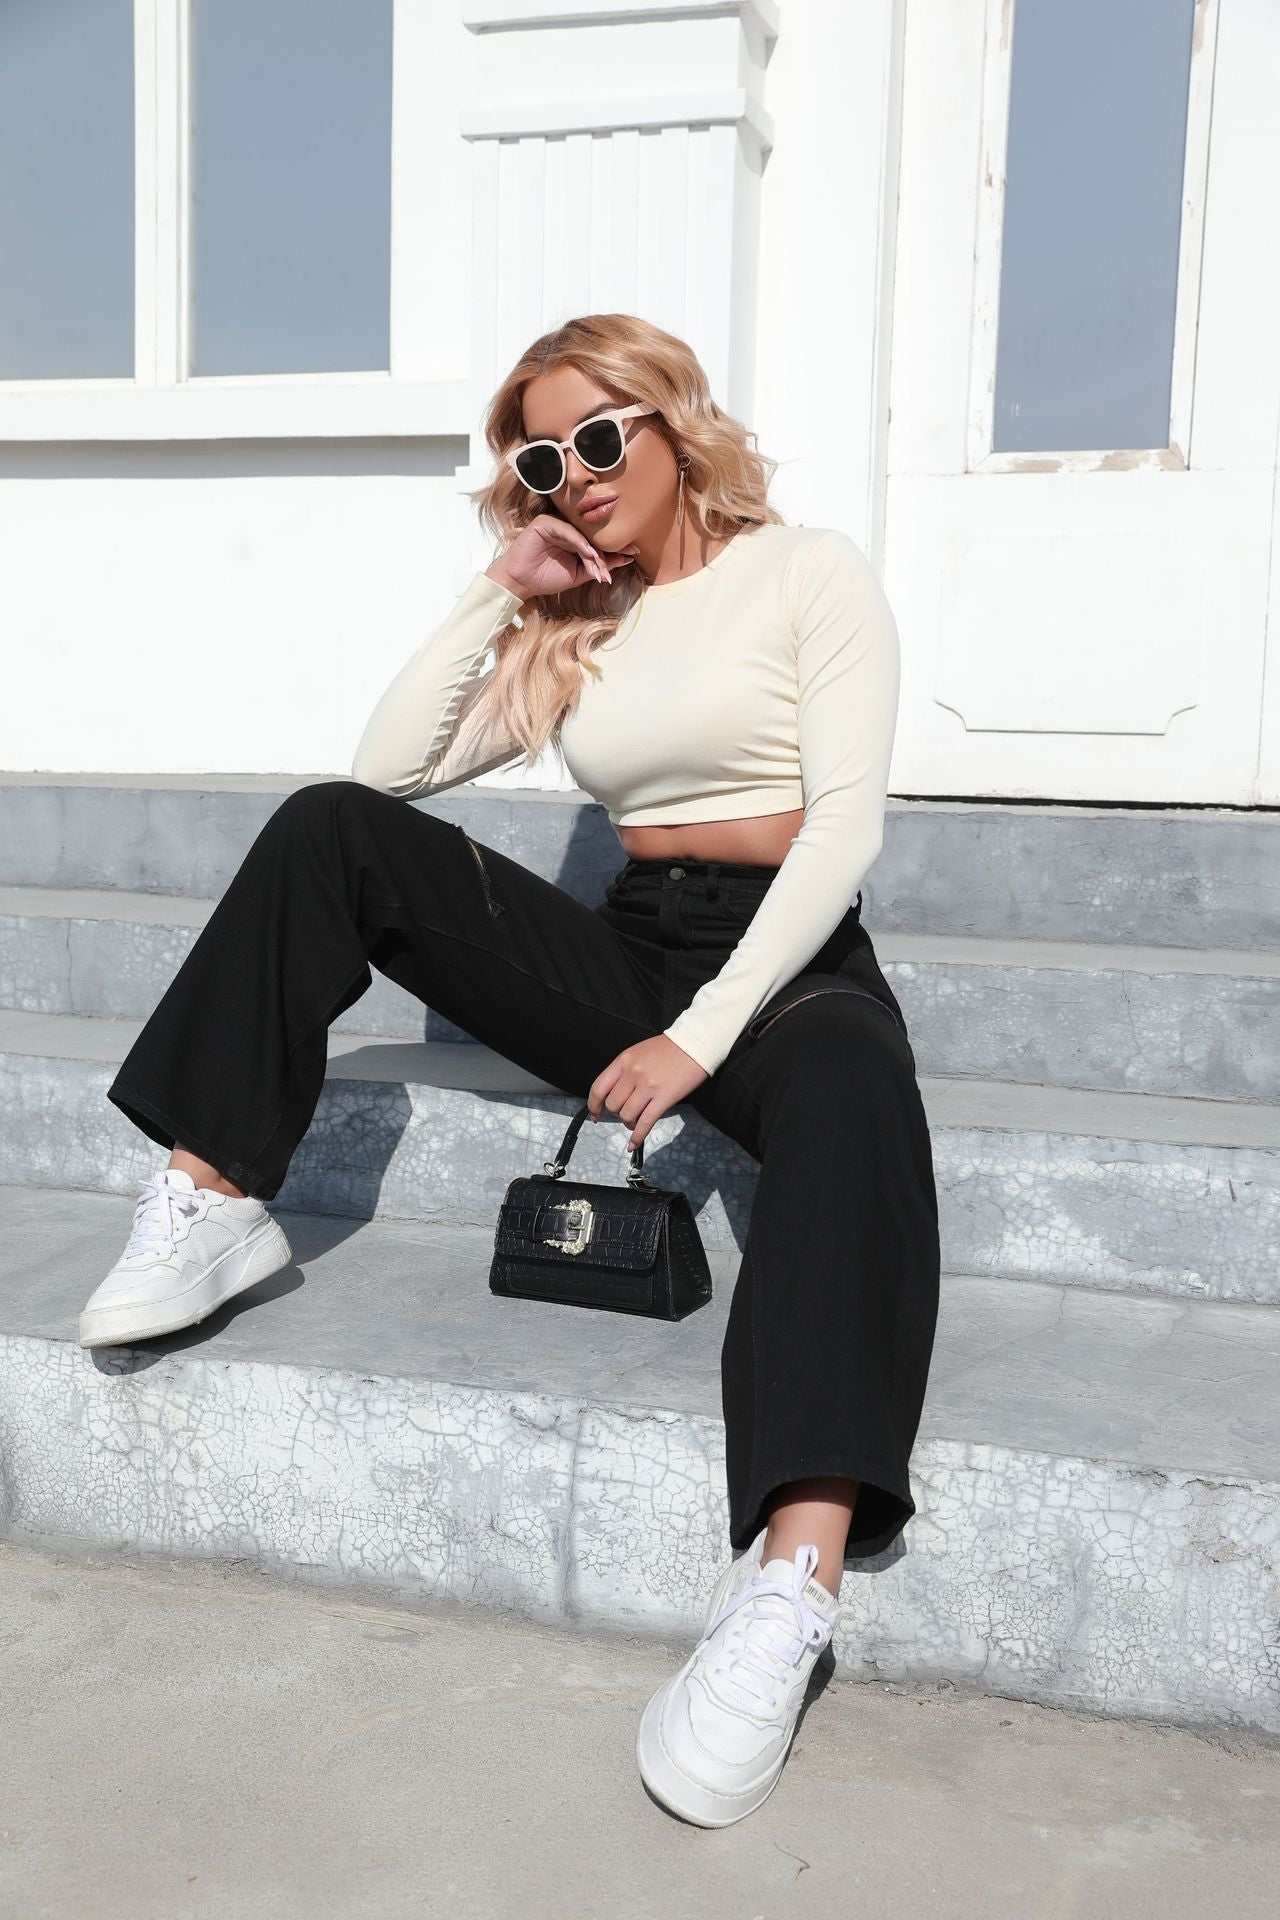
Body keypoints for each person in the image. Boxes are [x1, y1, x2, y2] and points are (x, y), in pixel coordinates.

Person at [85, 312, 940, 1828]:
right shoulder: (581, 621)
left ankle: (790, 1584)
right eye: (543, 458)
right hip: (627, 950)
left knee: (859, 1098)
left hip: (788, 962)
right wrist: (506, 587)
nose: (576, 476)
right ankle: (211, 1190)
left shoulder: (809, 573)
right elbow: (386, 768)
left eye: (601, 440)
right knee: (324, 830)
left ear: (676, 429)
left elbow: (843, 830)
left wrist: (704, 1033)